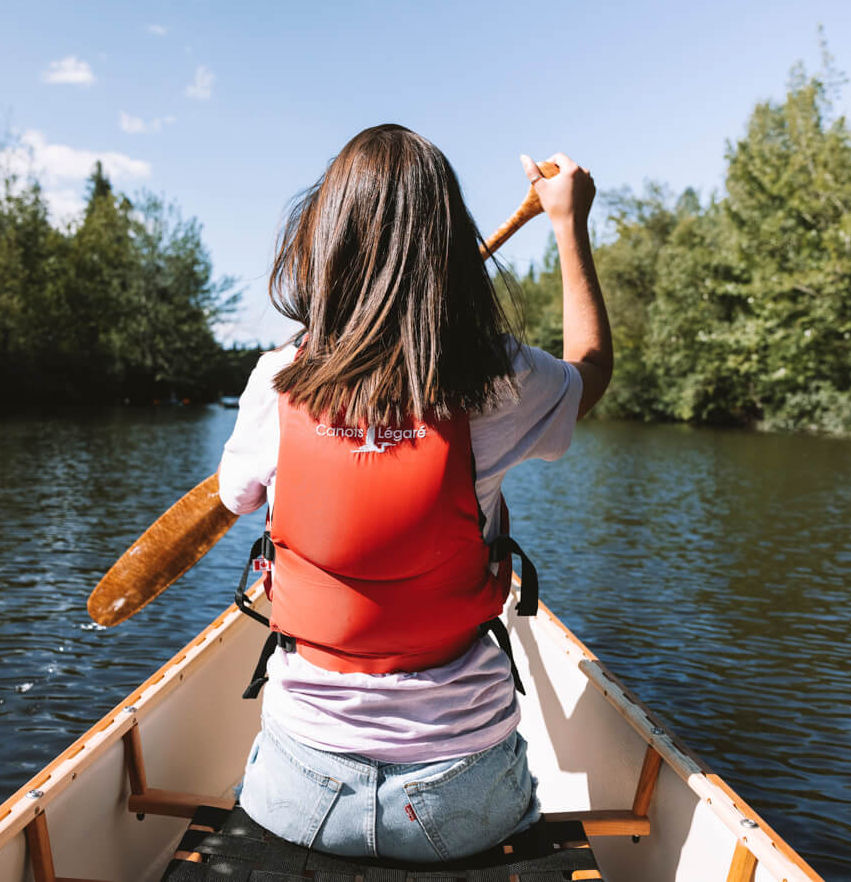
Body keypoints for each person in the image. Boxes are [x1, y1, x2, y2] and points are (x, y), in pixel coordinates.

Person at [217, 124, 611, 863]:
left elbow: (236, 495)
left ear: (324, 243)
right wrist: (567, 224)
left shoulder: (276, 379)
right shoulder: (504, 381)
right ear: (448, 248)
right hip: (462, 791)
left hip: (303, 786)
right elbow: (590, 368)